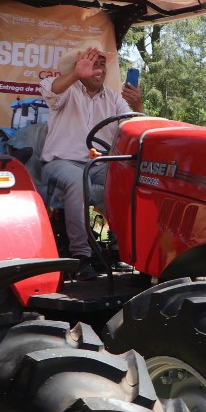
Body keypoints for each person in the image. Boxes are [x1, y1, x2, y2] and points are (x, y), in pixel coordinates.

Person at [39, 41, 142, 280]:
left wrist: (137, 105)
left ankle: (119, 249)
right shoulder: (67, 91)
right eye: (92, 64)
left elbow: (134, 126)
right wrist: (76, 74)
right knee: (78, 179)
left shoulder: (114, 99)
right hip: (61, 162)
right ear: (79, 67)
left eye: (102, 65)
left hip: (97, 164)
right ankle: (81, 255)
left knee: (125, 179)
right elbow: (50, 90)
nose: (99, 69)